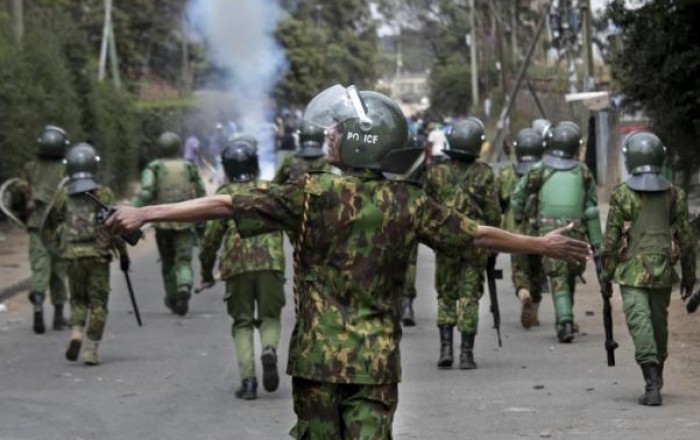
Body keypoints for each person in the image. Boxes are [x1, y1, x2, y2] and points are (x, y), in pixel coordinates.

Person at [105, 85, 590, 439]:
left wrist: (145, 212)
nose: (331, 136)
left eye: (339, 131)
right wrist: (541, 245)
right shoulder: (409, 202)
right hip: (374, 363)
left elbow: (227, 204)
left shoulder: (311, 193)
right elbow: (478, 236)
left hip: (317, 361)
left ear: (360, 140)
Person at [601, 131, 695, 406]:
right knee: (657, 323)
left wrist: (606, 273)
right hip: (663, 271)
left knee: (640, 321)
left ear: (630, 160)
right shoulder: (675, 194)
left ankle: (652, 381)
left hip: (631, 272)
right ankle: (655, 378)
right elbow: (686, 239)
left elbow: (610, 241)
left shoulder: (621, 194)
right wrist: (690, 275)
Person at [198, 136, 286, 400]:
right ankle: (269, 348)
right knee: (270, 318)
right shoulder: (270, 190)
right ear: (255, 164)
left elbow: (211, 240)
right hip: (271, 262)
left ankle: (248, 382)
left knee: (242, 323)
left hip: (236, 266)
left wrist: (205, 273)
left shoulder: (223, 195)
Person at [511, 121, 601, 343]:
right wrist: (596, 242)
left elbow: (518, 196)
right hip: (577, 230)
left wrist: (521, 218)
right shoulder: (583, 172)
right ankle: (566, 318)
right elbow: (591, 209)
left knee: (558, 277)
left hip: (549, 231)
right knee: (569, 275)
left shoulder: (540, 169)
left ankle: (565, 322)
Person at [424, 117, 501, 370]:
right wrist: (495, 245)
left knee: (445, 295)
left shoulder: (436, 173)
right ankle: (466, 354)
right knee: (469, 296)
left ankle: (445, 349)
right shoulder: (485, 174)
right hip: (476, 244)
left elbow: (428, 209)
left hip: (445, 243)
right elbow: (493, 213)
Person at [45, 143, 129, 365]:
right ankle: (91, 348)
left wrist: (57, 247)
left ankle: (75, 332)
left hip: (72, 256)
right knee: (98, 302)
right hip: (98, 256)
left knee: (78, 300)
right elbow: (115, 226)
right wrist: (124, 254)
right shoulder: (103, 193)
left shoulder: (63, 194)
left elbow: (51, 223)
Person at [130, 132, 205, 316]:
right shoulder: (188, 166)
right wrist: (202, 217)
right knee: (184, 260)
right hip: (186, 220)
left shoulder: (154, 167)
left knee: (168, 262)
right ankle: (185, 286)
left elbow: (147, 193)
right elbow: (201, 192)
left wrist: (132, 210)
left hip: (162, 223)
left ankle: (172, 296)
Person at [15, 125, 70, 333]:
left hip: (37, 225)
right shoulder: (65, 168)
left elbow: (18, 192)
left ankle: (38, 306)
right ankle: (58, 316)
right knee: (59, 269)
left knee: (40, 266)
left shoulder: (30, 168)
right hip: (58, 226)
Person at [496, 128, 546, 328]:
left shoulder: (507, 173)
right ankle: (534, 311)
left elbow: (498, 202)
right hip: (540, 230)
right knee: (538, 272)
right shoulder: (545, 172)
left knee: (519, 270)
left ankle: (523, 294)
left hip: (514, 232)